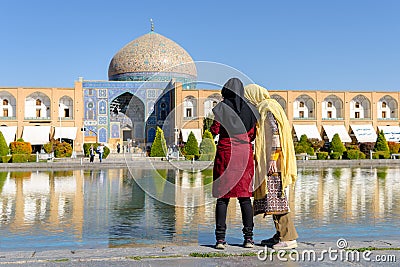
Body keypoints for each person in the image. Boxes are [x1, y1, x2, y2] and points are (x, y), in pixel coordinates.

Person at [244, 84, 298, 250]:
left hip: (274, 162)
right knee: (272, 199)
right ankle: (279, 234)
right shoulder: (270, 105)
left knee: (278, 199)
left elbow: (274, 134)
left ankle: (288, 239)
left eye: (248, 98)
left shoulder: (266, 108)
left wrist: (272, 158)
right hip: (275, 160)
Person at [211, 78, 260, 250]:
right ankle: (248, 238)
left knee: (223, 198)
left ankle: (220, 240)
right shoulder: (251, 110)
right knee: (244, 197)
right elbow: (253, 134)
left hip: (226, 152)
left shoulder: (221, 108)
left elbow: (215, 130)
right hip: (244, 153)